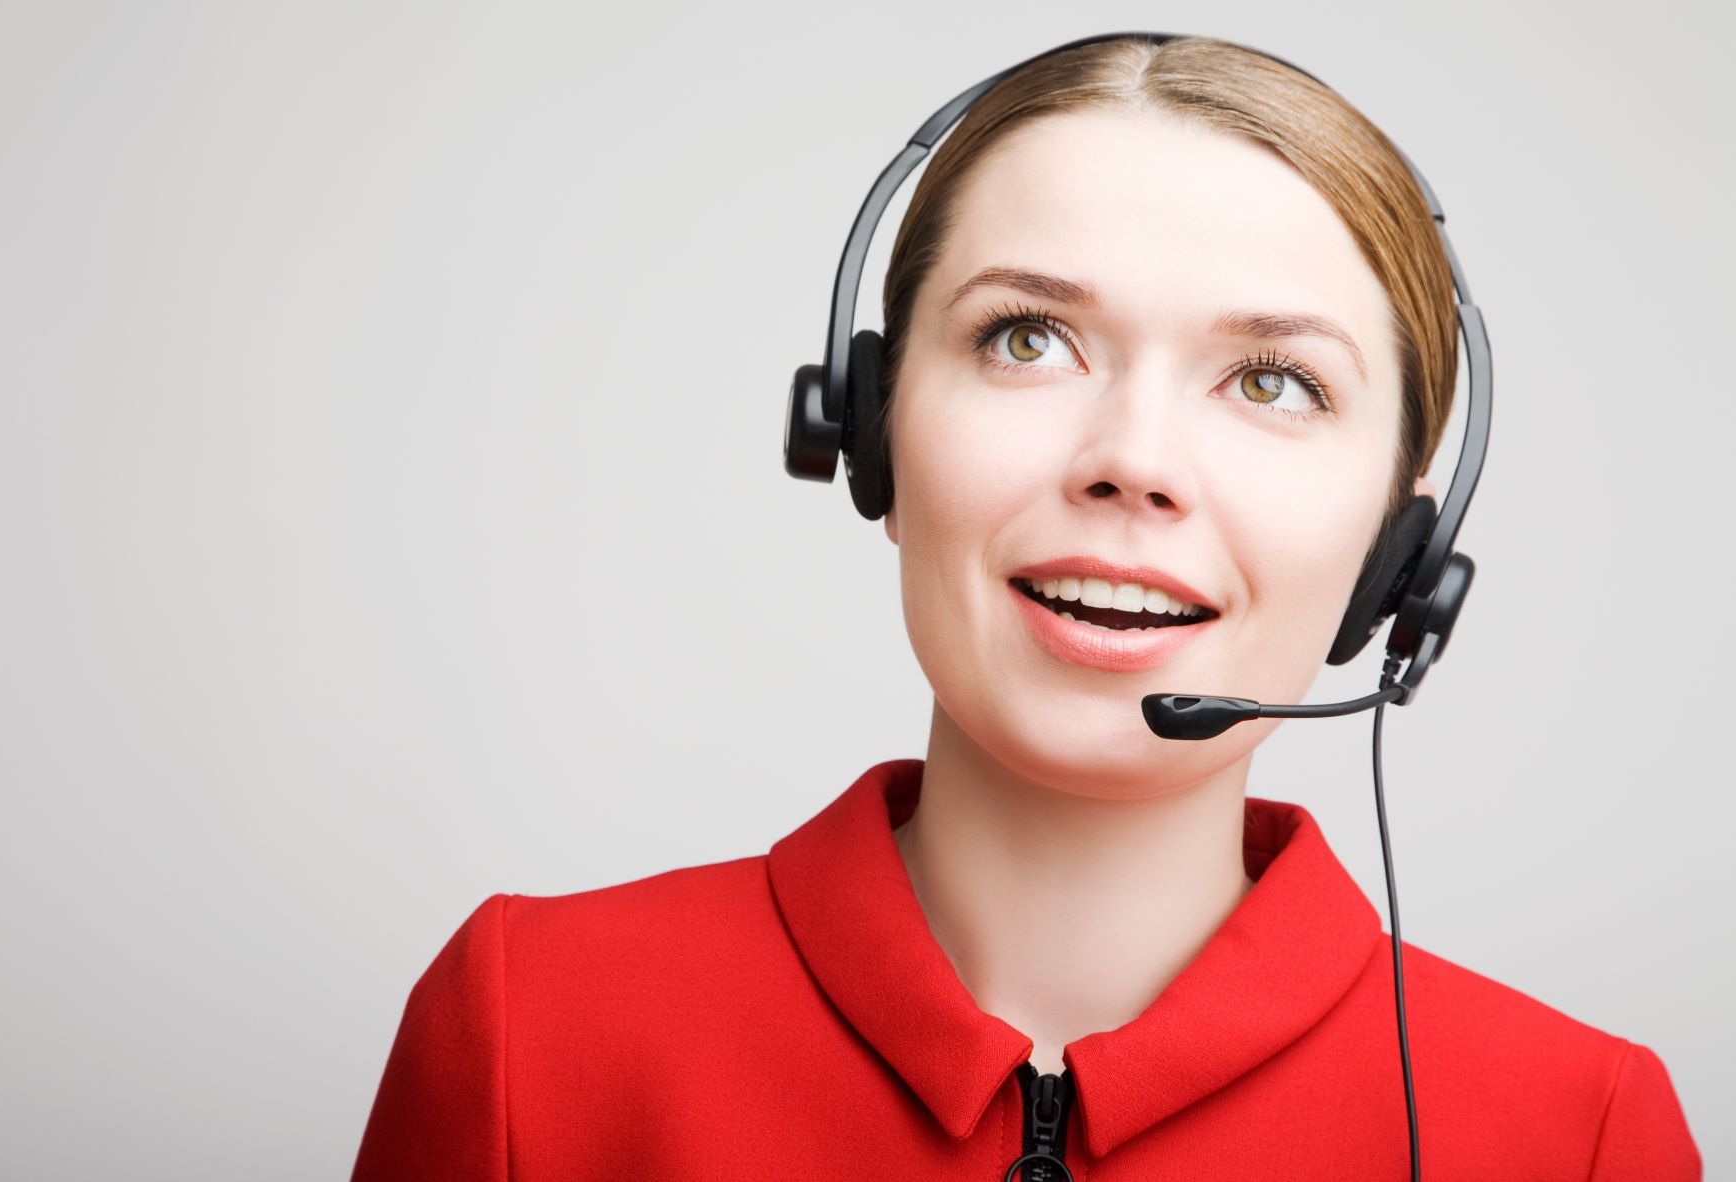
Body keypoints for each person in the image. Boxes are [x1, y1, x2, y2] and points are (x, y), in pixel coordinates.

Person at [349, 34, 1701, 1180]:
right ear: (869, 430)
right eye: (1026, 338)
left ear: (1398, 543)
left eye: (1273, 380)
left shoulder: (1573, 1131)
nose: (1134, 460)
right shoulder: (529, 1027)